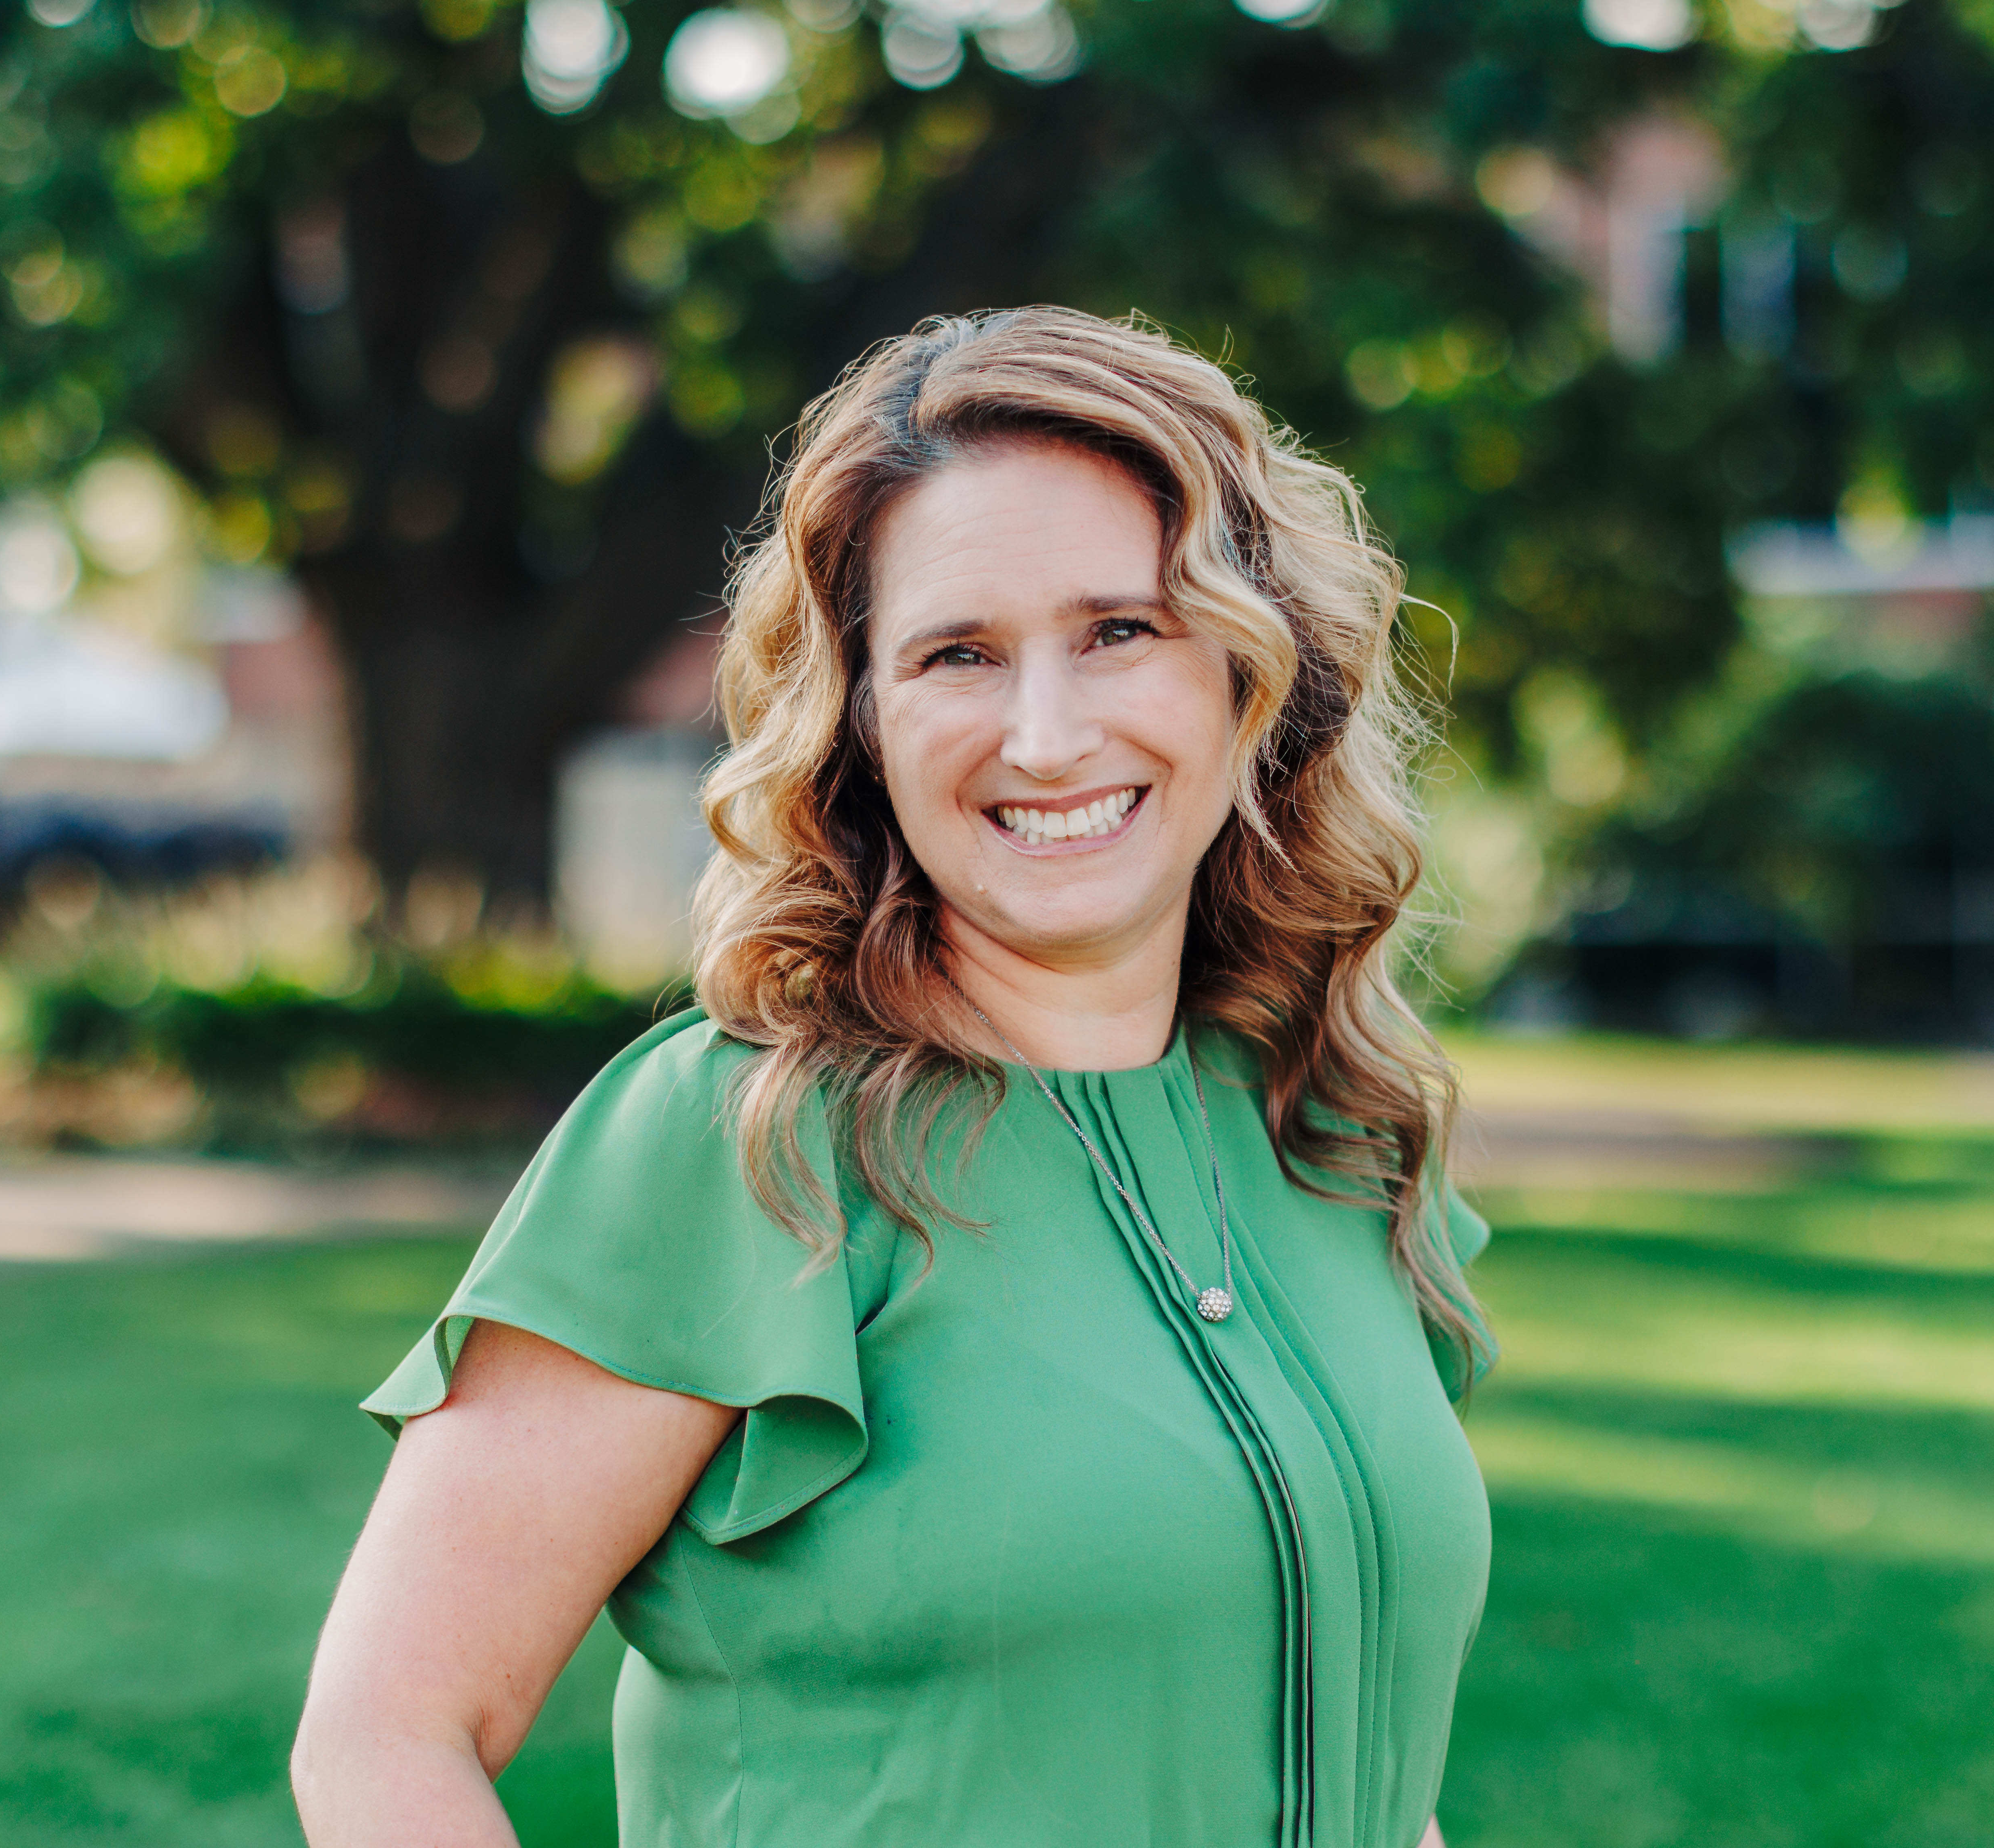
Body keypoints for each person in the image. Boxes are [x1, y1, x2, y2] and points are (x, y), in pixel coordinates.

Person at [291, 306, 1496, 1848]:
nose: (1047, 737)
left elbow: (1363, 1773)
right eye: (958, 656)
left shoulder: (1336, 1138)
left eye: (1120, 630)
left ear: (1256, 677)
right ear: (862, 723)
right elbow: (388, 1735)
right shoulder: (742, 1148)